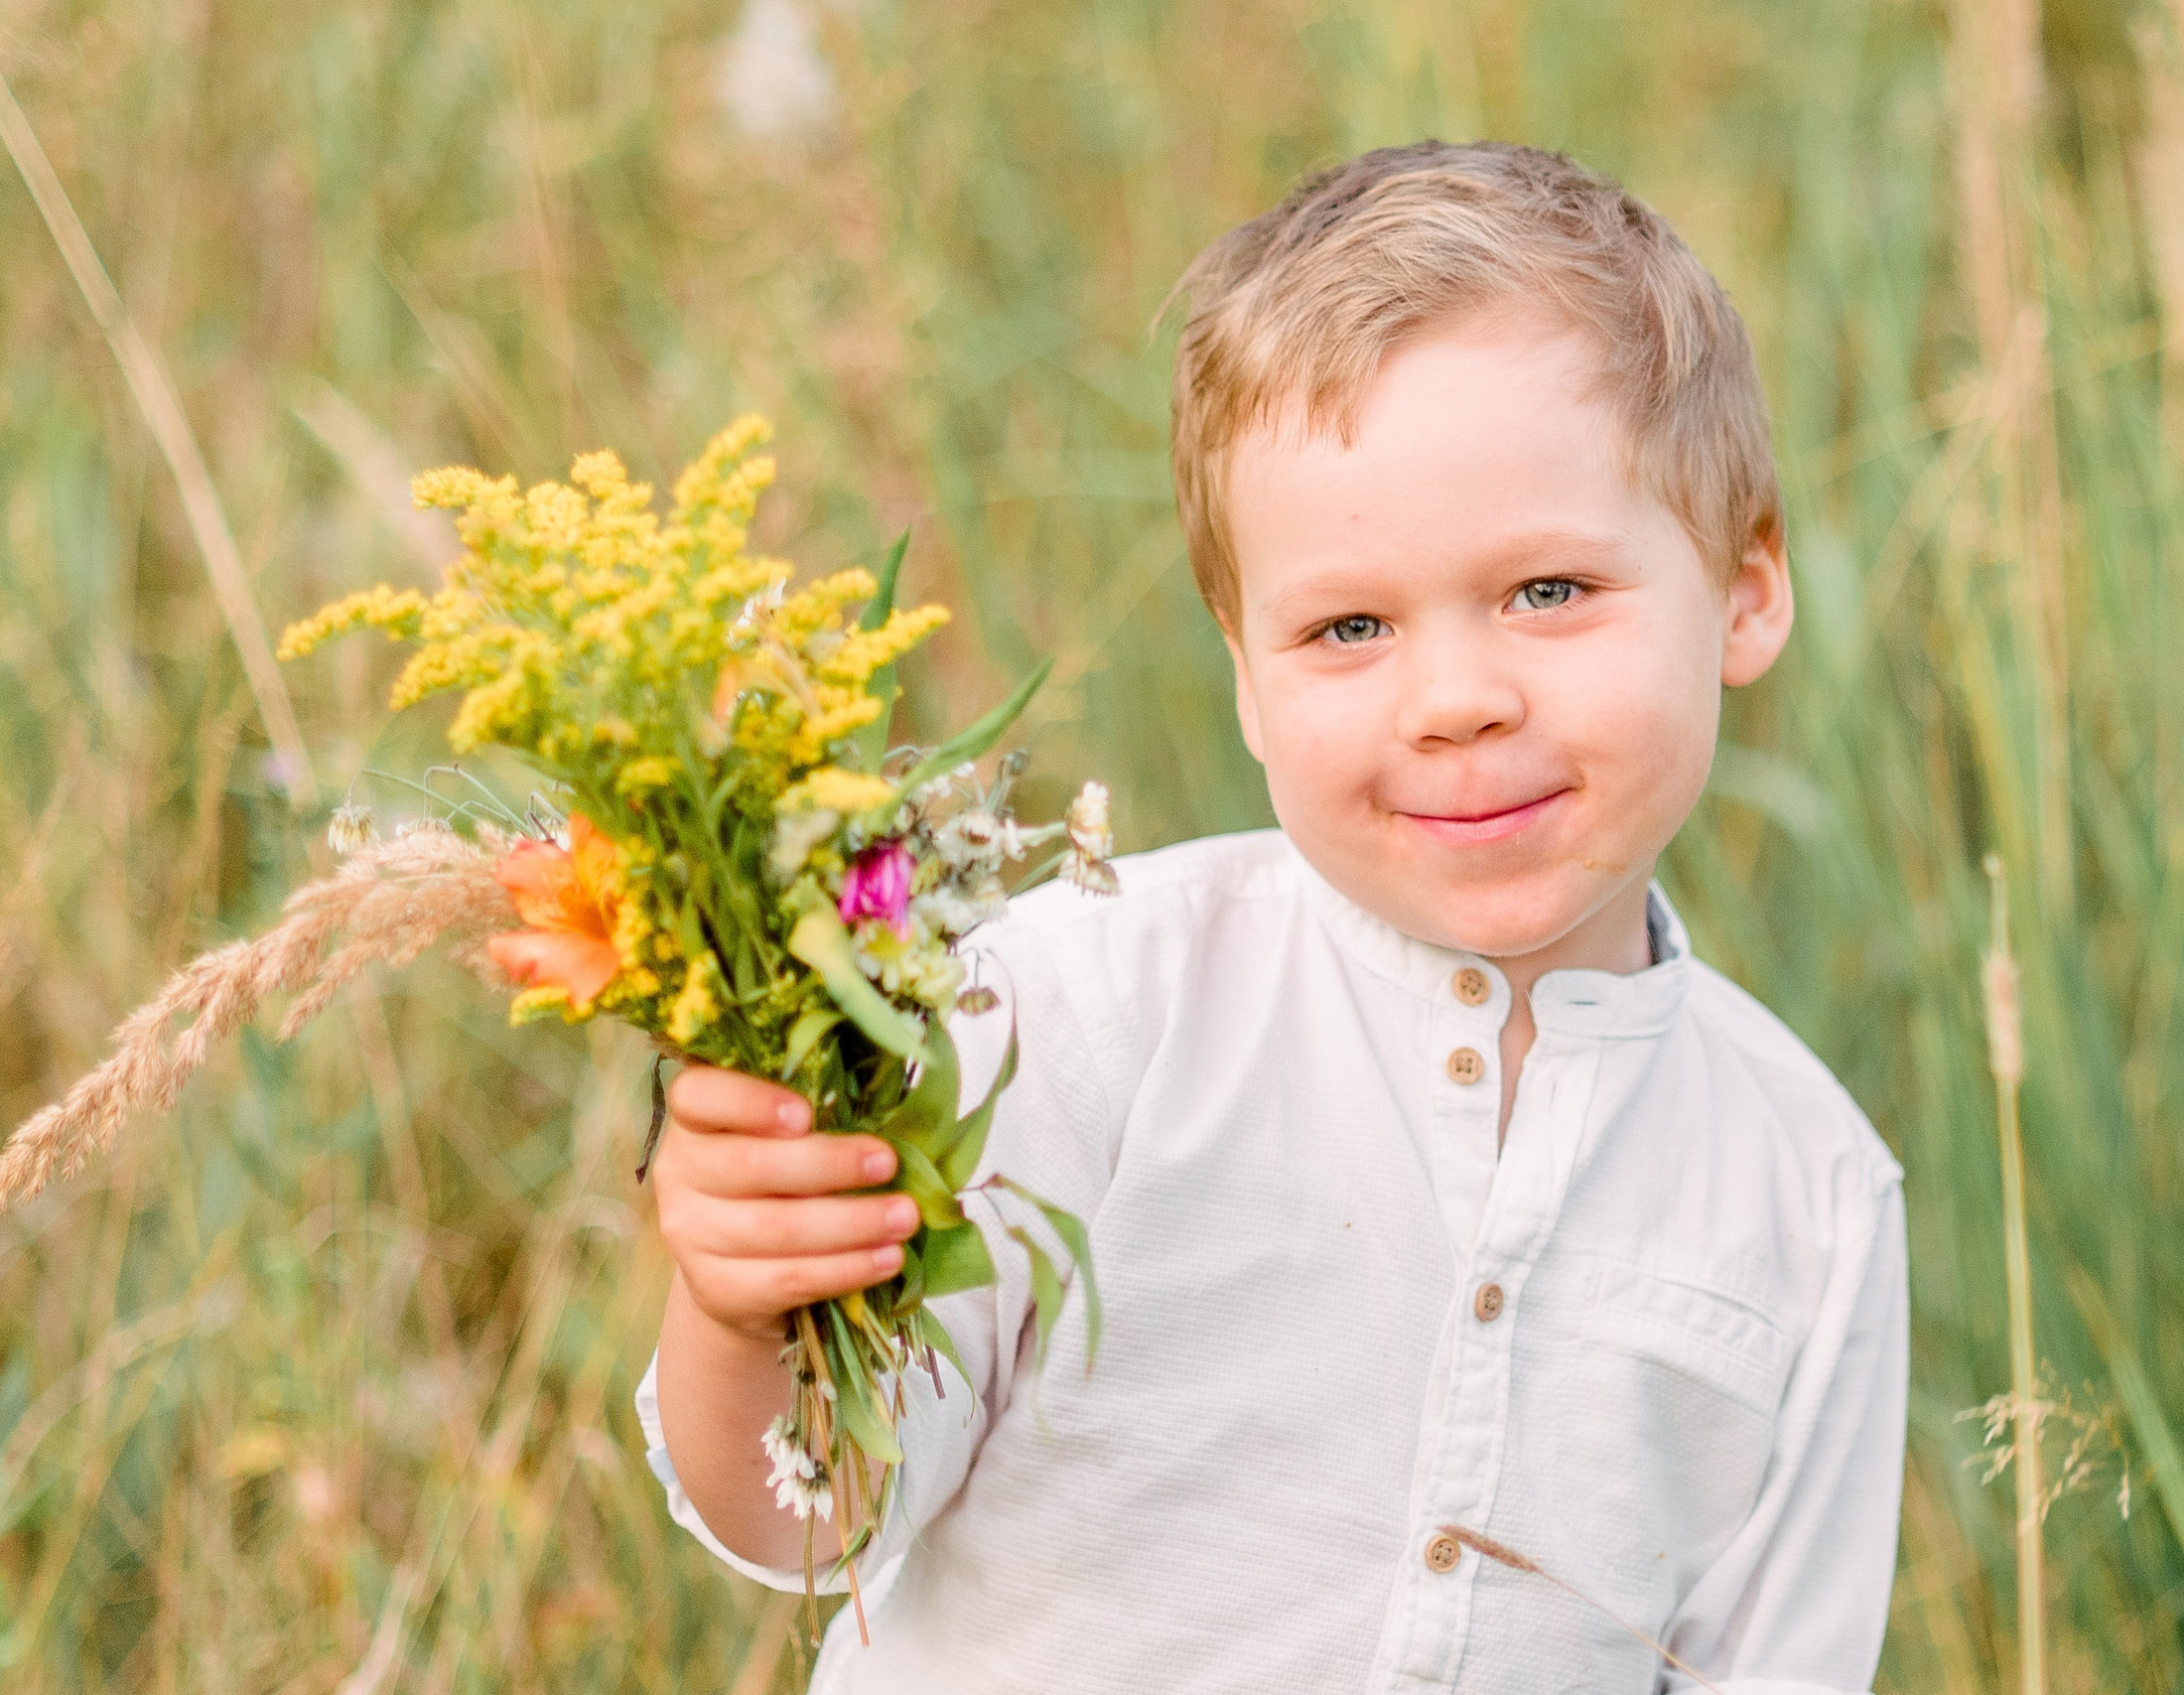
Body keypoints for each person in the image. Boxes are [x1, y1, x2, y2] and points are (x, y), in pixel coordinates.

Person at [637, 140, 1907, 1693]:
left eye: (1551, 591)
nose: (1456, 701)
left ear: (1748, 586)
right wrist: (737, 1305)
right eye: (1349, 627)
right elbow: (809, 1516)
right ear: (1245, 675)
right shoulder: (1072, 1011)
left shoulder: (1812, 1190)